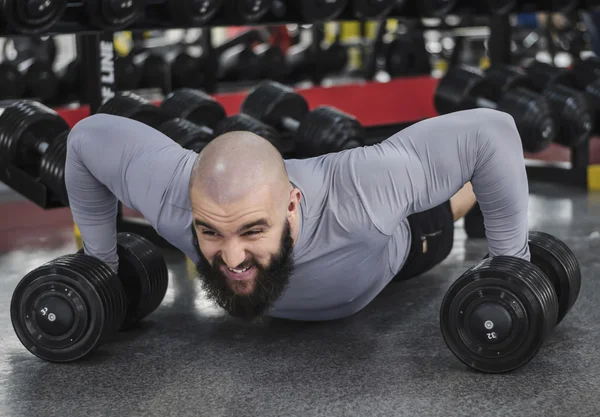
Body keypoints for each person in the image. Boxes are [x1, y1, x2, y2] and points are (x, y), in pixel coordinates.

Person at [65, 107, 530, 322]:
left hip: (398, 247)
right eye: (210, 231)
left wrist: (513, 268)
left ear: (292, 204)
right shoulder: (174, 195)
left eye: (252, 230)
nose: (231, 258)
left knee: (447, 205)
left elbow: (492, 132)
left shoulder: (364, 192)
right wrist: (102, 266)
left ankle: (465, 201)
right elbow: (86, 138)